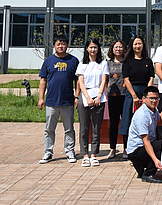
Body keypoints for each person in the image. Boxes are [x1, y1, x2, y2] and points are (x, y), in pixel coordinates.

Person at [37, 34, 79, 164]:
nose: (61, 46)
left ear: (67, 45)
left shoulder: (73, 61)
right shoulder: (48, 61)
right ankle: (48, 153)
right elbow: (43, 80)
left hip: (68, 101)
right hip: (51, 101)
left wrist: (77, 97)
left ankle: (70, 152)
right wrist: (41, 98)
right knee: (49, 129)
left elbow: (78, 81)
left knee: (69, 129)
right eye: (58, 44)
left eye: (63, 44)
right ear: (54, 45)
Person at [76, 38, 109, 167]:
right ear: (86, 49)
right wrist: (87, 97)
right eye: (90, 47)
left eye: (95, 47)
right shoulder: (82, 64)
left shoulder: (103, 63)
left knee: (96, 127)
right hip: (85, 96)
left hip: (99, 97)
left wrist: (99, 96)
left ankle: (94, 154)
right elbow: (81, 83)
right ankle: (85, 154)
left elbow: (103, 81)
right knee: (84, 127)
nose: (93, 49)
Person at [121, 36, 154, 160]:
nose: (137, 46)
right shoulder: (127, 61)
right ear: (131, 46)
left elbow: (151, 77)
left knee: (145, 120)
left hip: (145, 92)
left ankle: (146, 148)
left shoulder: (148, 61)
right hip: (132, 93)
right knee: (129, 120)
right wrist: (134, 96)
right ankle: (128, 148)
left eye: (139, 43)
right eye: (135, 44)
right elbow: (126, 79)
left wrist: (147, 94)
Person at [126, 85, 162, 184]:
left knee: (161, 144)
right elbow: (146, 141)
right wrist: (155, 160)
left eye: (156, 98)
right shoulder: (142, 115)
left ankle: (141, 168)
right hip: (136, 151)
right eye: (151, 98)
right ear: (144, 99)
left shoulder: (153, 110)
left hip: (143, 147)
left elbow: (160, 122)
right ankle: (148, 173)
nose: (154, 101)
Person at [105, 38, 127, 160]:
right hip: (112, 96)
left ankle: (126, 148)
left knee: (126, 122)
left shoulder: (127, 62)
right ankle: (112, 148)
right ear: (112, 49)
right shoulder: (107, 63)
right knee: (113, 123)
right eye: (116, 47)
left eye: (120, 47)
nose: (118, 49)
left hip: (125, 96)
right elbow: (105, 80)